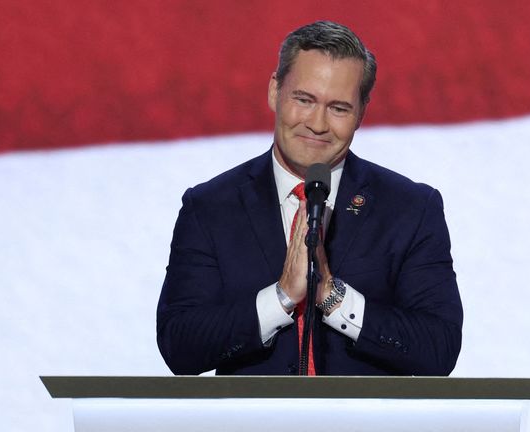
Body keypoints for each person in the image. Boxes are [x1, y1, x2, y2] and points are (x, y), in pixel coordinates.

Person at [157, 20, 462, 376]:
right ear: (274, 91)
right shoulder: (210, 208)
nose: (317, 123)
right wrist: (283, 296)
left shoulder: (410, 209)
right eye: (304, 100)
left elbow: (439, 349)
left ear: (362, 112)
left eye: (339, 108)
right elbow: (179, 346)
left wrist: (333, 298)